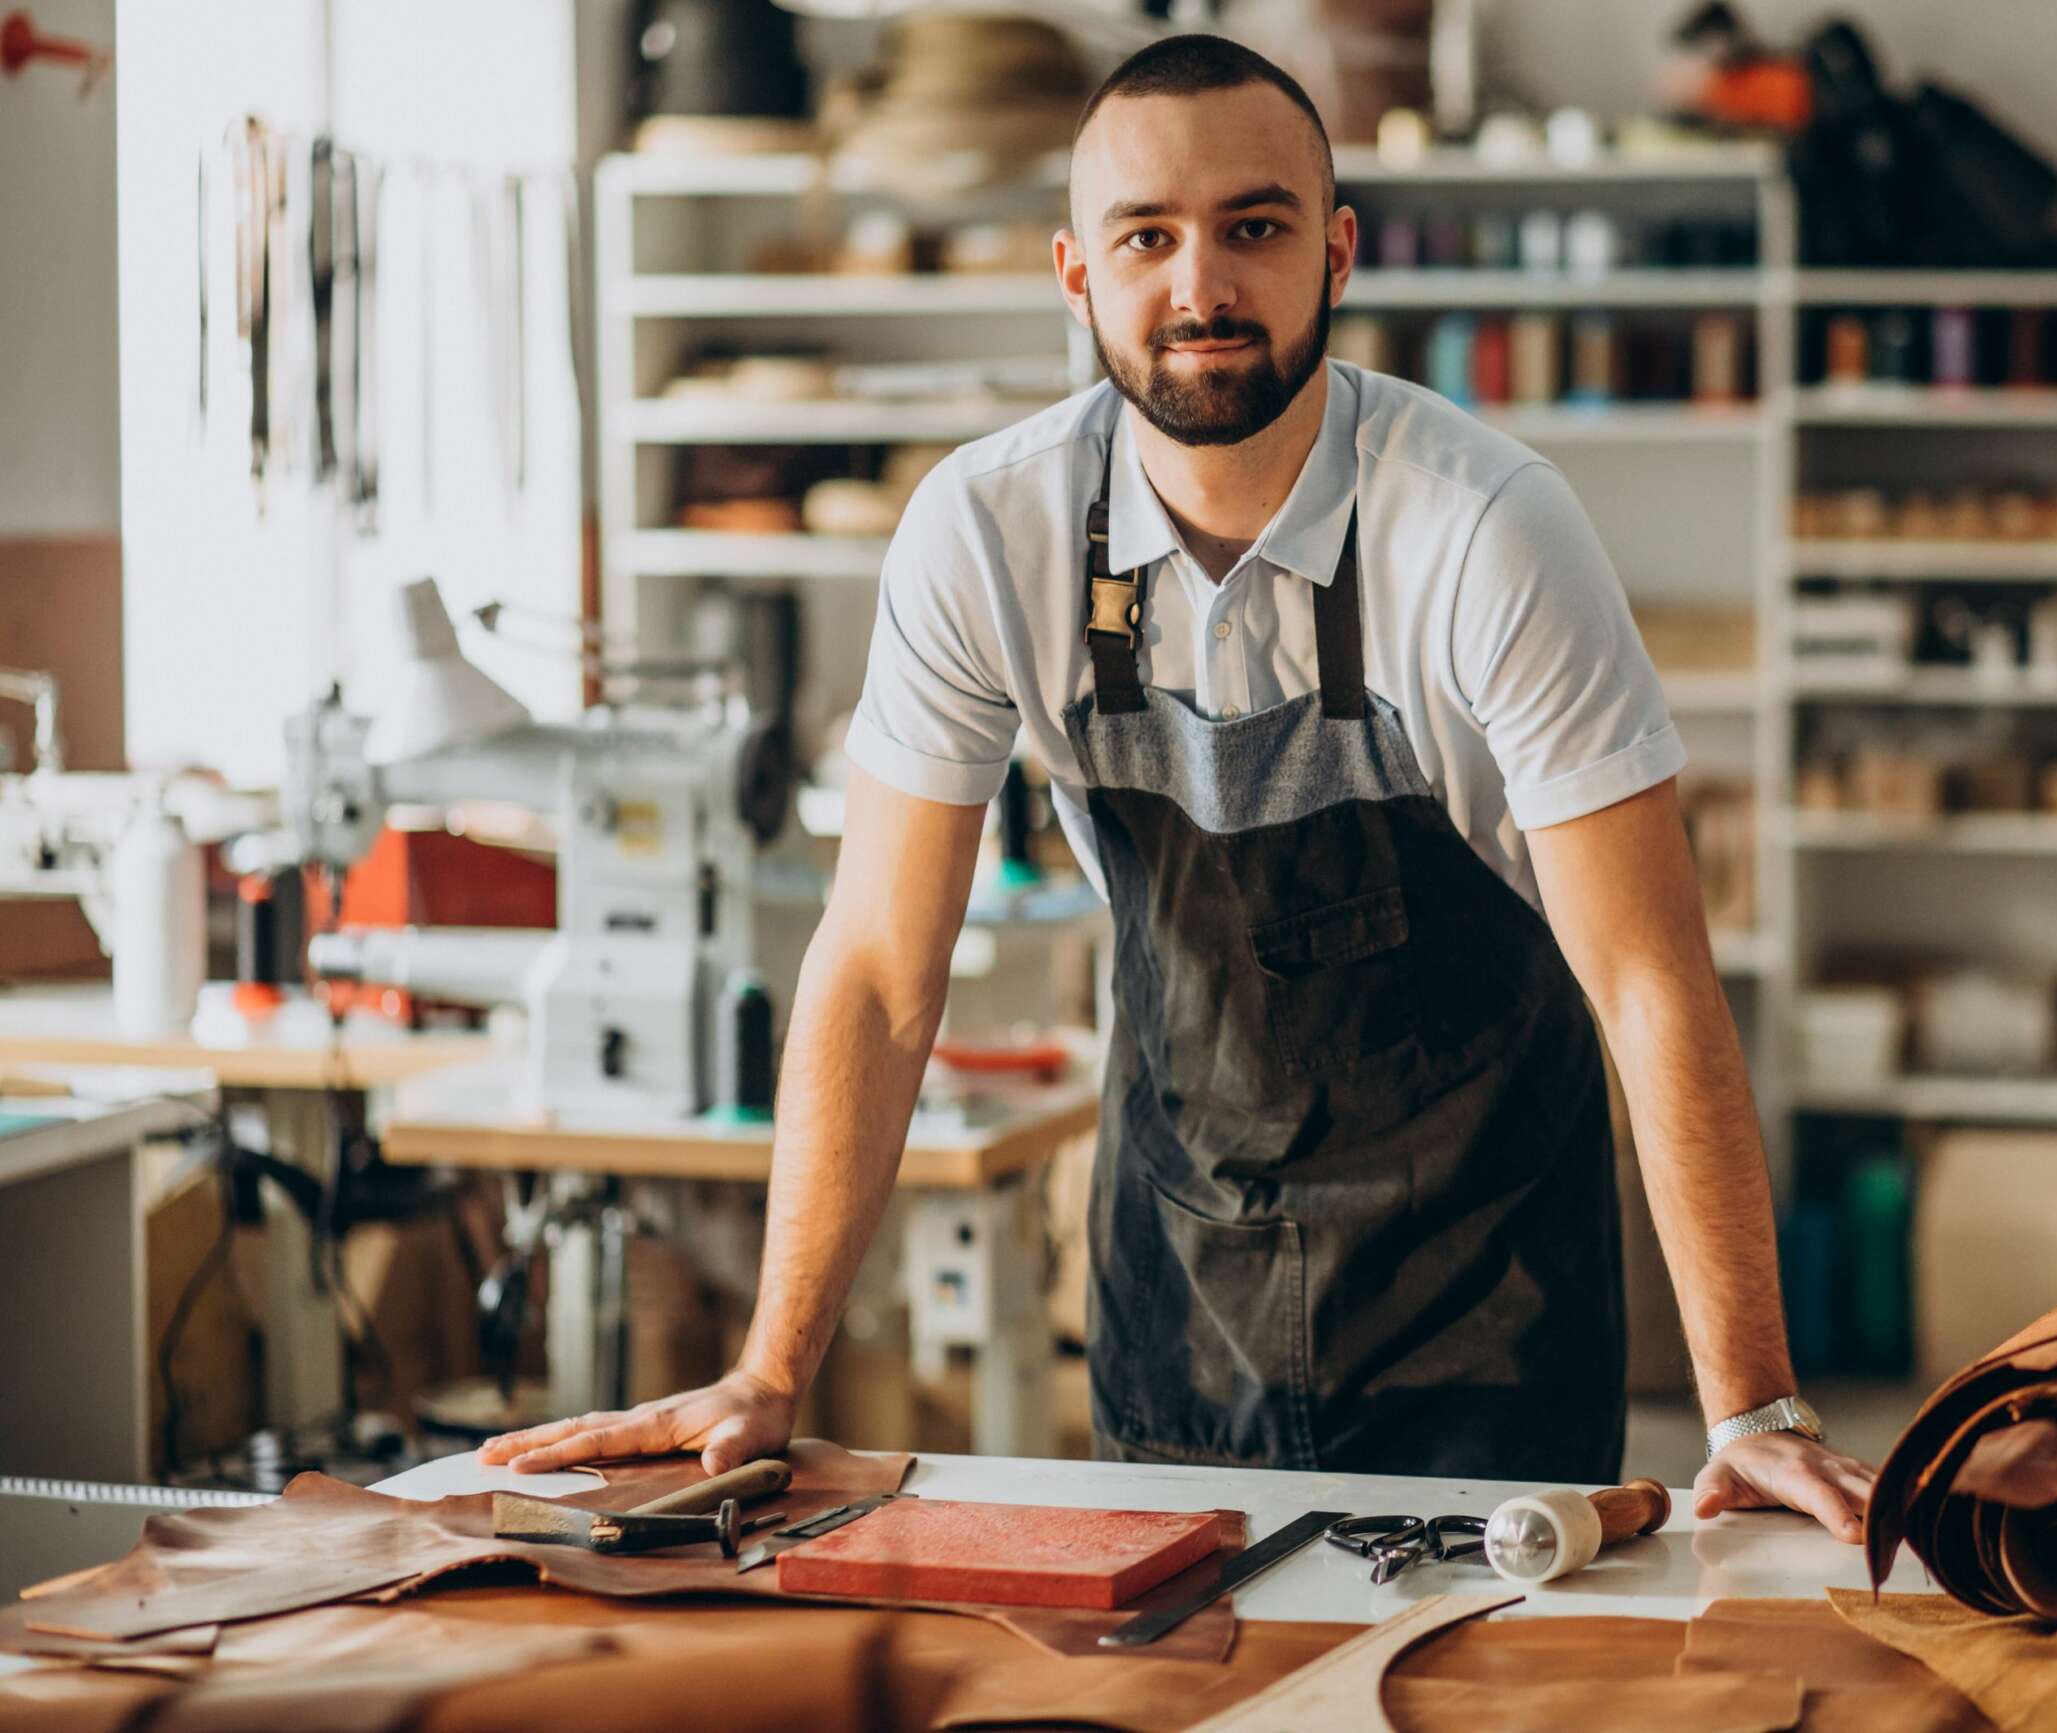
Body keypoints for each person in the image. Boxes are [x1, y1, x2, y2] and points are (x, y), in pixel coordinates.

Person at [481, 34, 1874, 1541]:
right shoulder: (985, 534)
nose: (1200, 286)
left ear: (1336, 253)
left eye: (1254, 228)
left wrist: (1756, 1403)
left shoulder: (1486, 532)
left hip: (1485, 1301)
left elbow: (1653, 978)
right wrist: (771, 1363)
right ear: (1077, 273)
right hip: (1177, 1288)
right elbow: (880, 969)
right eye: (1148, 236)